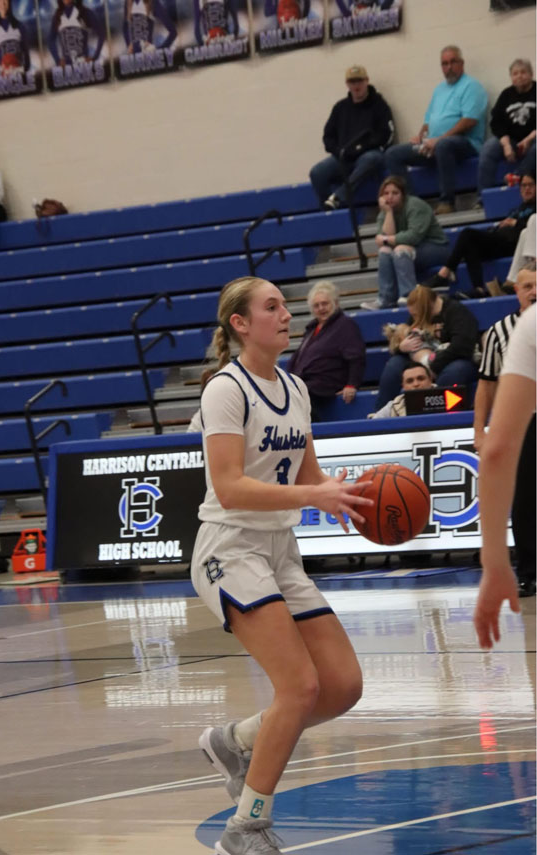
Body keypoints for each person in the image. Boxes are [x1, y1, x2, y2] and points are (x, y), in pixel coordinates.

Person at [191, 275, 372, 855]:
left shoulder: (294, 387)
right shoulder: (225, 389)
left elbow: (307, 473)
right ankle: (245, 828)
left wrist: (345, 495)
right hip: (230, 548)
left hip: (279, 549)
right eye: (271, 307)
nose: (286, 314)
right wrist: (310, 495)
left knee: (342, 686)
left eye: (284, 306)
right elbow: (229, 486)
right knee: (299, 685)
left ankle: (237, 740)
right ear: (241, 324)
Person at [473, 302, 535, 649]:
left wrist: (495, 563)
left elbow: (497, 452)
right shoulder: (503, 331)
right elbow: (485, 384)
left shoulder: (530, 326)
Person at [385, 45, 488, 215]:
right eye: (444, 64)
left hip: (465, 144)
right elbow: (428, 121)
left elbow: (469, 121)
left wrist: (439, 139)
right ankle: (413, 205)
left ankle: (447, 202)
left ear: (462, 63)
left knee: (444, 145)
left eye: (453, 62)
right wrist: (420, 137)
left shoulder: (472, 86)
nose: (449, 67)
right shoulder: (439, 90)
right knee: (393, 154)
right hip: (434, 145)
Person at [429, 171, 536, 298]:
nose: (527, 189)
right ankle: (478, 288)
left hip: (515, 244)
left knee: (468, 234)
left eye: (530, 185)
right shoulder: (518, 208)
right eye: (523, 185)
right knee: (469, 243)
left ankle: (445, 273)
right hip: (501, 240)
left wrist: (515, 223)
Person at [375, 284, 478, 409]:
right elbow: (408, 337)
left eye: (416, 315)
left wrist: (433, 365)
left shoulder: (457, 312)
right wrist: (401, 348)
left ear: (427, 307)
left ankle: (437, 414)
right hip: (426, 359)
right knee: (394, 365)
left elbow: (462, 347)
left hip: (457, 359)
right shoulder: (418, 316)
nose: (414, 319)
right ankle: (381, 412)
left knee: (453, 373)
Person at [309, 65, 394, 210]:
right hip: (344, 156)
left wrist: (362, 148)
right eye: (352, 82)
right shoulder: (340, 107)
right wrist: (339, 151)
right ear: (347, 84)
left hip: (369, 154)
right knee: (317, 172)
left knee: (371, 159)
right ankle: (329, 210)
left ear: (366, 81)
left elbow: (387, 134)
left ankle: (338, 198)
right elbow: (328, 137)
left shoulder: (379, 105)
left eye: (359, 81)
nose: (356, 85)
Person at [360, 175, 449, 310]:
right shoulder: (385, 211)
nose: (390, 197)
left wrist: (387, 239)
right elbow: (384, 243)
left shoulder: (415, 206)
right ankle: (386, 299)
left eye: (395, 193)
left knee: (400, 249)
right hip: (408, 252)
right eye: (386, 193)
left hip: (436, 247)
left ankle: (409, 295)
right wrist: (389, 213)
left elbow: (414, 236)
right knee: (385, 251)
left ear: (403, 195)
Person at [287, 280, 366, 421]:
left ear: (335, 303)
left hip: (326, 383)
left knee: (297, 396)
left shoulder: (345, 325)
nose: (321, 308)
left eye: (325, 304)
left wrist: (352, 384)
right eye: (316, 305)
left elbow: (356, 357)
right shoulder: (312, 329)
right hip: (306, 383)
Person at [478, 59, 536, 199]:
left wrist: (529, 139)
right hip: (511, 139)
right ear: (511, 77)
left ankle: (517, 177)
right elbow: (496, 122)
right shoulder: (506, 95)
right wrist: (506, 144)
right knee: (489, 148)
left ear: (531, 74)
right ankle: (483, 197)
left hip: (534, 138)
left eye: (523, 72)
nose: (519, 76)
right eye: (515, 73)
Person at [48, 0, 105, 67]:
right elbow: (50, 40)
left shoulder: (85, 12)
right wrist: (57, 60)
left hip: (84, 65)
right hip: (67, 67)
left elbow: (101, 34)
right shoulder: (58, 16)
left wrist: (95, 57)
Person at [368, 363, 435, 419]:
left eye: (421, 379)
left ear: (430, 380)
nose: (416, 384)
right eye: (410, 381)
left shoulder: (442, 398)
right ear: (403, 386)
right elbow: (373, 425)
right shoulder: (393, 406)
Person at [0, 0, 30, 78]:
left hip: (20, 77)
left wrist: (19, 70)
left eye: (5, 0)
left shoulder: (20, 26)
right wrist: (2, 72)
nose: (3, 3)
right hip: (4, 79)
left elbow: (27, 60)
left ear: (9, 3)